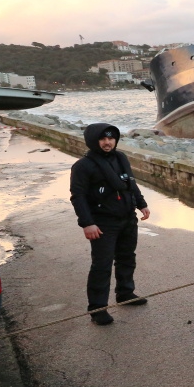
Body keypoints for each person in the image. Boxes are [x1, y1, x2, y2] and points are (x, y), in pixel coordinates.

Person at [70, 123, 151, 326]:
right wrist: (87, 223)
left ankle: (125, 293)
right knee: (102, 265)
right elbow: (78, 197)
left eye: (111, 138)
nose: (108, 142)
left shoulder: (121, 158)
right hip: (103, 222)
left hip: (127, 217)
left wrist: (141, 204)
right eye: (103, 139)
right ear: (93, 141)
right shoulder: (83, 166)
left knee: (127, 258)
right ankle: (98, 309)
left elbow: (131, 183)